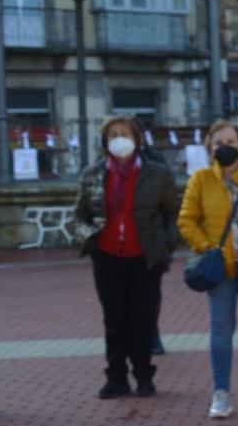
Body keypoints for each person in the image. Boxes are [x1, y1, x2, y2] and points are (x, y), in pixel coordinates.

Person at [71, 116, 180, 399]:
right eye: (113, 135)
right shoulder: (92, 174)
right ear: (105, 141)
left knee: (143, 318)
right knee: (114, 318)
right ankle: (116, 376)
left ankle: (144, 375)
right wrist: (87, 237)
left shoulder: (158, 174)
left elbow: (172, 212)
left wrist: (167, 244)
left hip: (144, 257)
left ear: (136, 139)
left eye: (124, 134)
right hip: (107, 256)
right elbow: (79, 215)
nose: (119, 140)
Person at [177, 120, 238, 420]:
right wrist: (207, 246)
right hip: (221, 267)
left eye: (230, 142)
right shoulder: (201, 180)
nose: (225, 148)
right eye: (218, 143)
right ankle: (220, 393)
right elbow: (186, 219)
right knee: (221, 329)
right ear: (210, 148)